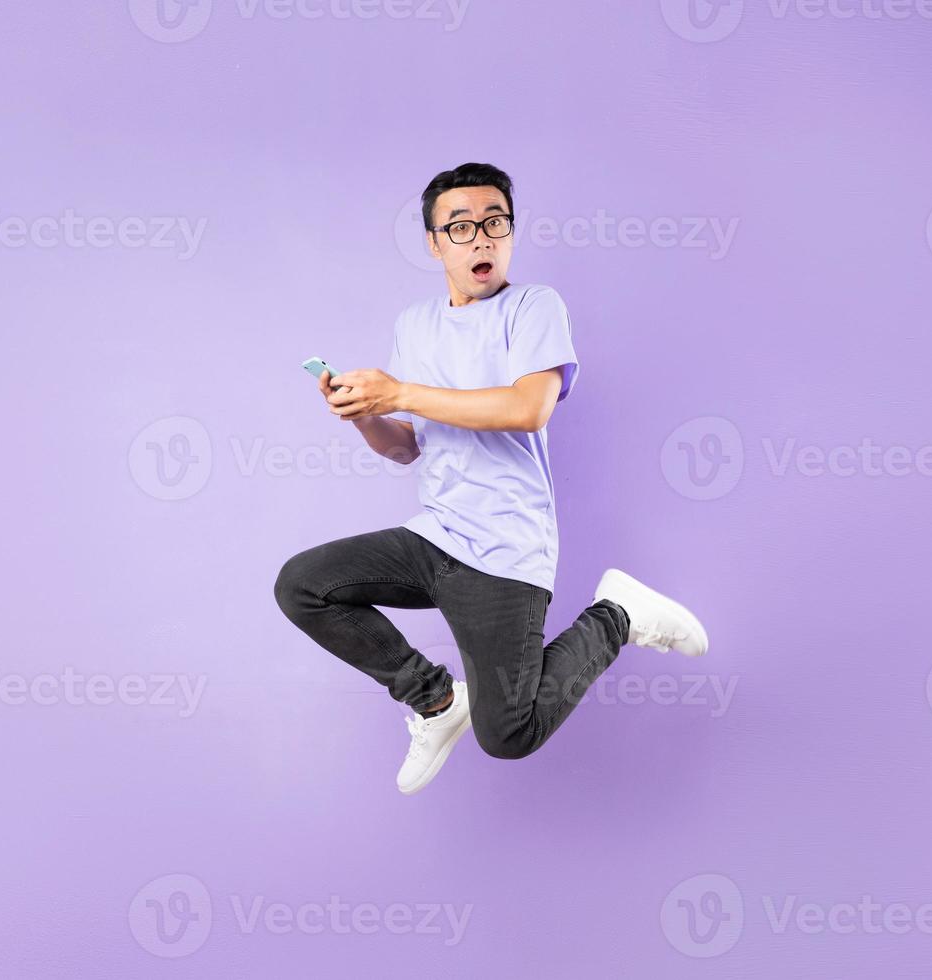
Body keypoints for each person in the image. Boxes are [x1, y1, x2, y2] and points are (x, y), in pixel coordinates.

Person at [273, 162, 709, 794]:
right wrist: (365, 415)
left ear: (510, 230)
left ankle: (618, 614)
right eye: (459, 227)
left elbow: (526, 408)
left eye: (494, 222)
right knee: (303, 585)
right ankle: (436, 702)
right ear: (433, 243)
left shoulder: (534, 307)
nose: (480, 238)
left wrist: (400, 391)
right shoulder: (414, 324)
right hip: (437, 535)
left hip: (506, 551)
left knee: (510, 734)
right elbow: (406, 450)